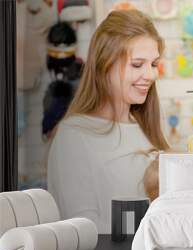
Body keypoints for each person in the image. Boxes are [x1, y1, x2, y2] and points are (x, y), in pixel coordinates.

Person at [47, 9, 169, 234]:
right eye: (137, 64)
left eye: (153, 64)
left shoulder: (146, 127)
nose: (151, 75)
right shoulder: (73, 137)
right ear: (105, 66)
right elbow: (83, 230)